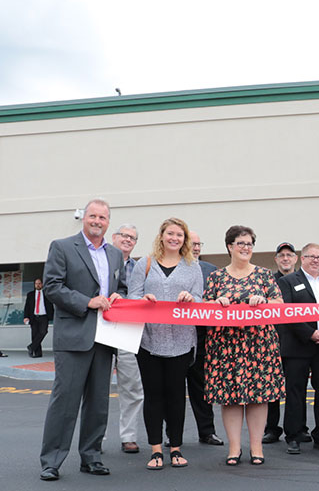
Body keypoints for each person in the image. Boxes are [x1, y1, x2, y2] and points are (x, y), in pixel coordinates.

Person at [39, 199, 127, 481]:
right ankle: (51, 461)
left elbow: (121, 286)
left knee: (99, 403)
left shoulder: (115, 254)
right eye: (92, 216)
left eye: (102, 217)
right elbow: (52, 286)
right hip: (74, 335)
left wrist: (119, 296)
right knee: (65, 401)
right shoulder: (62, 246)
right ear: (84, 218)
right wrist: (87, 301)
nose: (97, 221)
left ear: (108, 222)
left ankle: (91, 457)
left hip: (104, 338)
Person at [204, 225, 285, 466]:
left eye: (249, 243)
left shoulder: (263, 275)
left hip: (259, 344)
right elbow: (203, 308)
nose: (245, 248)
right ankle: (234, 448)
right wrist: (216, 302)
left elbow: (279, 304)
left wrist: (265, 302)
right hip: (225, 345)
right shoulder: (216, 277)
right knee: (230, 397)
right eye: (241, 243)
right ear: (229, 246)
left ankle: (257, 447)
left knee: (259, 397)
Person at [128, 218, 202, 470]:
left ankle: (176, 448)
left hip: (181, 342)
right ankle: (156, 450)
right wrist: (143, 299)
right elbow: (132, 295)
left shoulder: (193, 267)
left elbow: (201, 300)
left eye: (179, 235)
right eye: (170, 233)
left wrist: (191, 298)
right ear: (161, 236)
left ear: (185, 239)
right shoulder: (144, 264)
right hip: (149, 341)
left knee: (176, 397)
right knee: (153, 396)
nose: (174, 238)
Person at [277, 243, 319, 455]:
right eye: (311, 256)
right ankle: (294, 436)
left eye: (318, 257)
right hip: (298, 347)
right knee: (295, 392)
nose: (315, 260)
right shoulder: (287, 282)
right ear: (302, 258)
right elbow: (287, 314)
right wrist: (310, 334)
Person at [184, 231, 223, 446]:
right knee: (173, 389)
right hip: (177, 336)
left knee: (201, 388)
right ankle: (173, 434)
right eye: (193, 244)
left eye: (199, 244)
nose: (196, 248)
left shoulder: (211, 271)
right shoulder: (173, 268)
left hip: (203, 337)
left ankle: (207, 431)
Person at [110, 224, 144, 454]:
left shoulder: (140, 267)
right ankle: (93, 437)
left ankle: (129, 436)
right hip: (99, 329)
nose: (128, 240)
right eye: (124, 235)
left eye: (132, 238)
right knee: (96, 387)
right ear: (114, 237)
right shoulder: (100, 260)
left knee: (132, 386)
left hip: (127, 331)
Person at [263, 241, 300, 444]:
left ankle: (298, 427)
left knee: (296, 388)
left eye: (289, 255)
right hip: (272, 341)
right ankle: (271, 428)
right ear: (276, 260)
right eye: (282, 255)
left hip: (297, 342)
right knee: (272, 388)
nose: (285, 258)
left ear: (295, 259)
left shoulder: (302, 280)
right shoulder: (268, 281)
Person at [24, 278, 53, 358]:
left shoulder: (46, 294)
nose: (38, 285)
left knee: (43, 332)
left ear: (42, 284)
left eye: (39, 283)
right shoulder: (30, 294)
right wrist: (26, 317)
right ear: (34, 285)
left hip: (44, 316)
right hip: (34, 317)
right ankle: (37, 353)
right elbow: (27, 307)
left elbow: (51, 305)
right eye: (36, 283)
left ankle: (31, 347)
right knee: (34, 335)